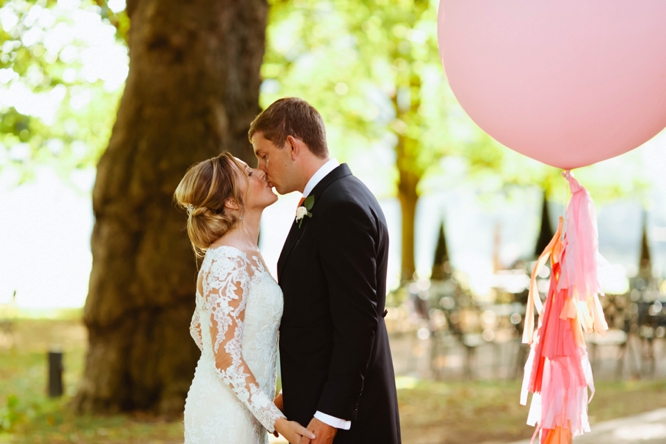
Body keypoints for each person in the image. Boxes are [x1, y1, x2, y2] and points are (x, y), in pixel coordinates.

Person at [250, 97, 401, 444]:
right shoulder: (330, 198)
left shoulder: (341, 206)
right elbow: (318, 309)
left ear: (291, 146)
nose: (260, 168)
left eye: (263, 154)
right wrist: (298, 392)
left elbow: (358, 322)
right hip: (318, 398)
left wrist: (331, 414)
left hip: (348, 419)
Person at [175, 152, 315, 444]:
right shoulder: (228, 258)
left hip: (241, 407)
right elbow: (225, 357)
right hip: (223, 415)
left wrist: (257, 395)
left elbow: (200, 328)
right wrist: (276, 420)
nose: (262, 172)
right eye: (249, 173)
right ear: (231, 201)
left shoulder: (246, 253)